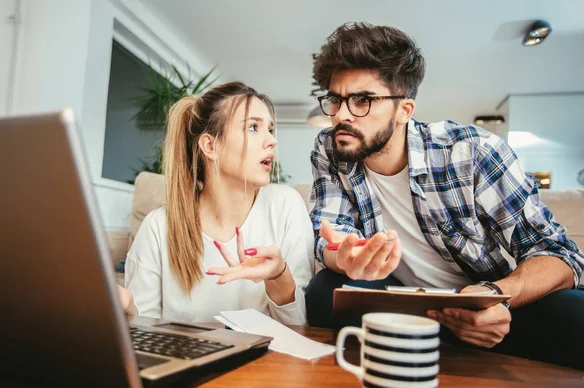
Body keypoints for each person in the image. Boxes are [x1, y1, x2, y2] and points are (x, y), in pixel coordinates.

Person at [304, 22, 584, 369]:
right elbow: (331, 235)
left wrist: (497, 297)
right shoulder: (330, 149)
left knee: (576, 315)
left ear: (405, 110)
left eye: (363, 100)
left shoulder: (472, 152)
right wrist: (343, 256)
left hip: (489, 308)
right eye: (335, 99)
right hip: (402, 305)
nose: (342, 114)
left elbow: (559, 254)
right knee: (324, 289)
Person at [120, 81, 313, 325]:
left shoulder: (286, 206)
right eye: (253, 127)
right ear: (210, 146)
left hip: (266, 362)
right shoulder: (158, 227)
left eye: (270, 130)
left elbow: (300, 326)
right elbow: (144, 331)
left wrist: (277, 275)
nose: (272, 141)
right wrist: (126, 311)